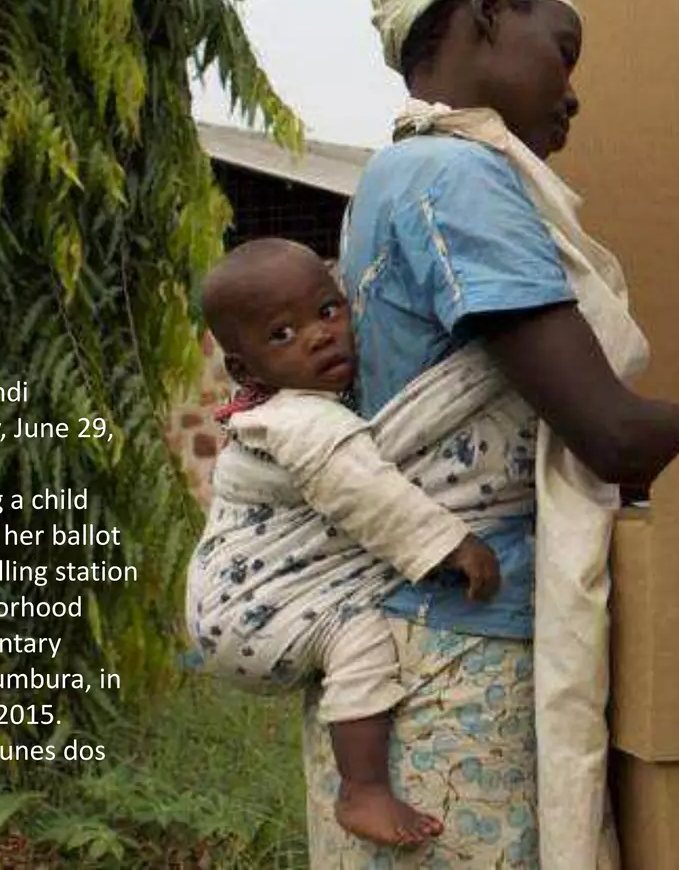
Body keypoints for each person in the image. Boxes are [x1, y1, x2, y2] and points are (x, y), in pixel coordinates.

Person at [298, 0, 679, 868]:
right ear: (487, 14)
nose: (573, 93)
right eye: (562, 51)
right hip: (457, 652)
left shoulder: (390, 179)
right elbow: (606, 428)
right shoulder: (455, 178)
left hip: (402, 643)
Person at [185, 238, 505, 848]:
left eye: (329, 311)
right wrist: (450, 544)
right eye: (282, 334)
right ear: (246, 371)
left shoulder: (290, 411)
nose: (318, 336)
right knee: (360, 639)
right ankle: (362, 789)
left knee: (353, 632)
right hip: (250, 616)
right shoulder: (302, 421)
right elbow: (367, 494)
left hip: (231, 606)